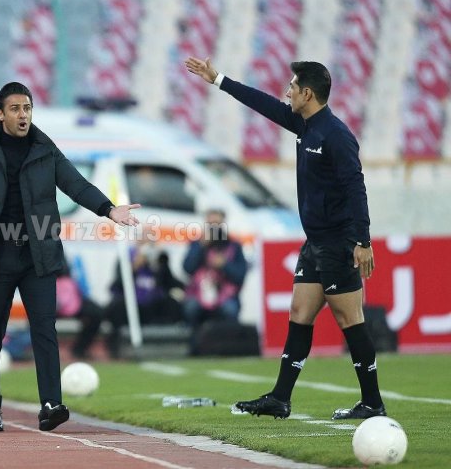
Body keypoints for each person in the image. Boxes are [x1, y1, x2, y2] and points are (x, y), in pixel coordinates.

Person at [0, 82, 140, 432]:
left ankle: (51, 404)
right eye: (16, 109)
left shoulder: (44, 148)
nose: (23, 115)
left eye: (27, 108)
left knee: (45, 330)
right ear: (0, 114)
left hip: (37, 256)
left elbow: (76, 184)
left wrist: (110, 210)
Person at [185, 58, 383, 420]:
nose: (286, 91)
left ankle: (372, 402)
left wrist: (362, 240)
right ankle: (280, 398)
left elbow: (356, 187)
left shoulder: (336, 136)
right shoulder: (302, 124)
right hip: (315, 244)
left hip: (339, 243)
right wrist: (218, 80)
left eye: (292, 86)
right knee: (300, 313)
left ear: (307, 93)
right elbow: (260, 103)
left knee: (350, 320)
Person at [104, 228, 184, 358]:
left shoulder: (159, 261)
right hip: (132, 304)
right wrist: (134, 267)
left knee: (172, 305)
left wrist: (161, 265)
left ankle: (167, 346)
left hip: (153, 304)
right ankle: (116, 349)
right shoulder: (126, 258)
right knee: (117, 307)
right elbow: (117, 285)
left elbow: (171, 283)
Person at [182, 209, 247, 332]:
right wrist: (201, 247)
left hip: (225, 295)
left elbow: (240, 276)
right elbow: (187, 268)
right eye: (211, 225)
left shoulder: (234, 246)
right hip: (199, 294)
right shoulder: (197, 244)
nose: (214, 229)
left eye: (217, 225)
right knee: (191, 307)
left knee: (230, 309)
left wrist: (224, 265)